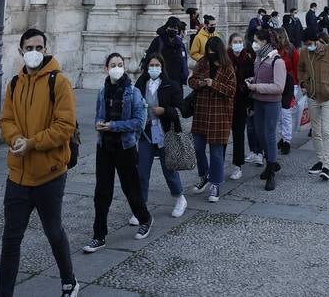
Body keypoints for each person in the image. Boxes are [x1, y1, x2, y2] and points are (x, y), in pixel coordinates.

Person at [0, 28, 79, 297]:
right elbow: (6, 121)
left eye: (39, 47)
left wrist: (31, 143)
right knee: (11, 238)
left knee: (54, 232)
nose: (34, 52)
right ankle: (4, 293)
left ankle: (69, 281)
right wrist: (15, 139)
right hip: (18, 175)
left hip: (49, 174)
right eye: (29, 48)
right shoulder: (14, 84)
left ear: (45, 50)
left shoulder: (59, 82)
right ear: (21, 51)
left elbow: (65, 126)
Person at [83, 52, 153, 254]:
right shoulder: (102, 91)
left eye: (120, 64)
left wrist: (113, 126)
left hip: (125, 147)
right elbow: (98, 114)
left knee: (130, 188)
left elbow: (139, 122)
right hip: (104, 147)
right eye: (113, 64)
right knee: (101, 192)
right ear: (106, 68)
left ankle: (145, 218)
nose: (116, 68)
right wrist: (99, 124)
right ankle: (99, 235)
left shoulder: (133, 92)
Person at [134, 54, 187, 220]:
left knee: (169, 168)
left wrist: (164, 111)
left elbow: (180, 110)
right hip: (146, 133)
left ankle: (179, 198)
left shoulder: (171, 85)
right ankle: (141, 208)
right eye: (151, 65)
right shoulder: (141, 84)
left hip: (165, 132)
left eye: (157, 65)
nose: (154, 68)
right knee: (142, 171)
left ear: (162, 67)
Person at [189, 36, 236, 202]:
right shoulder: (202, 62)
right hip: (202, 113)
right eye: (208, 51)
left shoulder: (227, 67)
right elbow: (191, 80)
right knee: (198, 148)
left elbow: (231, 90)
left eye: (213, 52)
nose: (210, 54)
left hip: (219, 115)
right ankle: (204, 175)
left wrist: (213, 84)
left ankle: (216, 183)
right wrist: (201, 82)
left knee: (216, 153)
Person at [298, 28, 329, 179]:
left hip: (328, 97)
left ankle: (327, 165)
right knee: (316, 132)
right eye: (305, 44)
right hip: (312, 96)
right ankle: (320, 160)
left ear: (317, 40)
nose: (308, 46)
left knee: (326, 131)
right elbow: (300, 69)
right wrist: (304, 84)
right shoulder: (304, 52)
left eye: (310, 43)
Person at [246, 28, 286, 190]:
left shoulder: (277, 60)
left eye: (256, 41)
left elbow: (278, 87)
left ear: (265, 42)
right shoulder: (259, 57)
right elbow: (259, 77)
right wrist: (251, 81)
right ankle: (271, 163)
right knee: (259, 133)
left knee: (269, 134)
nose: (254, 44)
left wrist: (255, 86)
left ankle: (271, 173)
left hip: (271, 102)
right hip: (258, 100)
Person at [227, 33, 256, 179]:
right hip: (226, 102)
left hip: (241, 101)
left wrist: (251, 105)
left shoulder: (248, 60)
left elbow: (253, 80)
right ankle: (218, 164)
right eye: (235, 42)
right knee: (223, 135)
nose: (238, 44)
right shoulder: (225, 59)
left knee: (238, 134)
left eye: (240, 41)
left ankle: (237, 165)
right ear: (230, 43)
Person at [143, 16, 188, 94]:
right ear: (167, 27)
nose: (173, 30)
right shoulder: (158, 41)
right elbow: (149, 59)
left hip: (177, 82)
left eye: (175, 28)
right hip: (161, 80)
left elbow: (182, 62)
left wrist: (184, 77)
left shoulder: (179, 43)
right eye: (171, 27)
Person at [275, 27, 299, 155]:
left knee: (286, 113)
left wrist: (299, 84)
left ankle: (287, 140)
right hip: (277, 83)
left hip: (290, 84)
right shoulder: (274, 50)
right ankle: (282, 136)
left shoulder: (290, 49)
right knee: (278, 113)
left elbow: (297, 66)